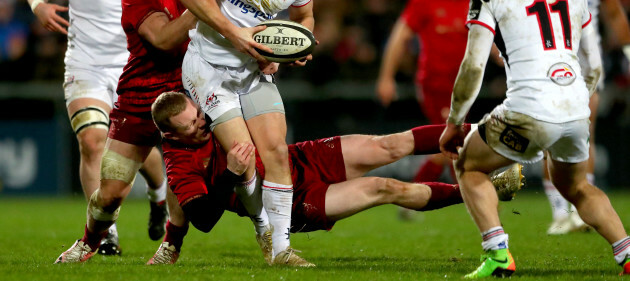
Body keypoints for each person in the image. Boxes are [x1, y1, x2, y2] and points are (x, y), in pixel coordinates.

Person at [439, 0, 630, 278]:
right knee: (575, 187)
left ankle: (497, 255)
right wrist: (578, 99)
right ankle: (627, 254)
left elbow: (473, 65)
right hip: (575, 106)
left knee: (468, 164)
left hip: (528, 109)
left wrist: (455, 122)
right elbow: (590, 59)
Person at [147, 91, 524, 265]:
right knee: (384, 188)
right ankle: (485, 188)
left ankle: (491, 131)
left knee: (387, 146)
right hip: (291, 204)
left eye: (199, 116)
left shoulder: (211, 111)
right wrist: (229, 175)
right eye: (192, 127)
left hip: (297, 159)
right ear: (172, 135)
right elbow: (205, 220)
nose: (203, 125)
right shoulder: (179, 162)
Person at [26, 0, 168, 255]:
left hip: (132, 60)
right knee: (93, 142)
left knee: (136, 149)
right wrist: (38, 5)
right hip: (84, 60)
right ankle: (106, 234)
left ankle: (158, 196)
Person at [177, 0, 315, 266]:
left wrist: (292, 50)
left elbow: (305, 18)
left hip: (255, 71)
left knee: (276, 152)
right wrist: (238, 35)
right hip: (209, 68)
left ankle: (283, 249)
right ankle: (262, 227)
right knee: (246, 157)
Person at [54, 0, 197, 264]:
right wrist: (204, 3)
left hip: (190, 94)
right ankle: (89, 242)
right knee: (111, 193)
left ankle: (172, 246)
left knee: (190, 179)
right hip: (140, 95)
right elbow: (163, 40)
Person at [538, 0, 630, 235]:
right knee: (550, 132)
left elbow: (615, 14)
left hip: (588, 59)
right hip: (547, 57)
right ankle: (559, 212)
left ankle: (580, 211)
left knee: (585, 131)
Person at [376, 0, 470, 195]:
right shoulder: (424, 1)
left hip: (465, 85)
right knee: (451, 138)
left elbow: (488, 39)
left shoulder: (474, 1)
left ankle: (422, 195)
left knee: (451, 142)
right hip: (434, 84)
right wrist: (387, 77)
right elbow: (399, 39)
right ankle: (430, 193)